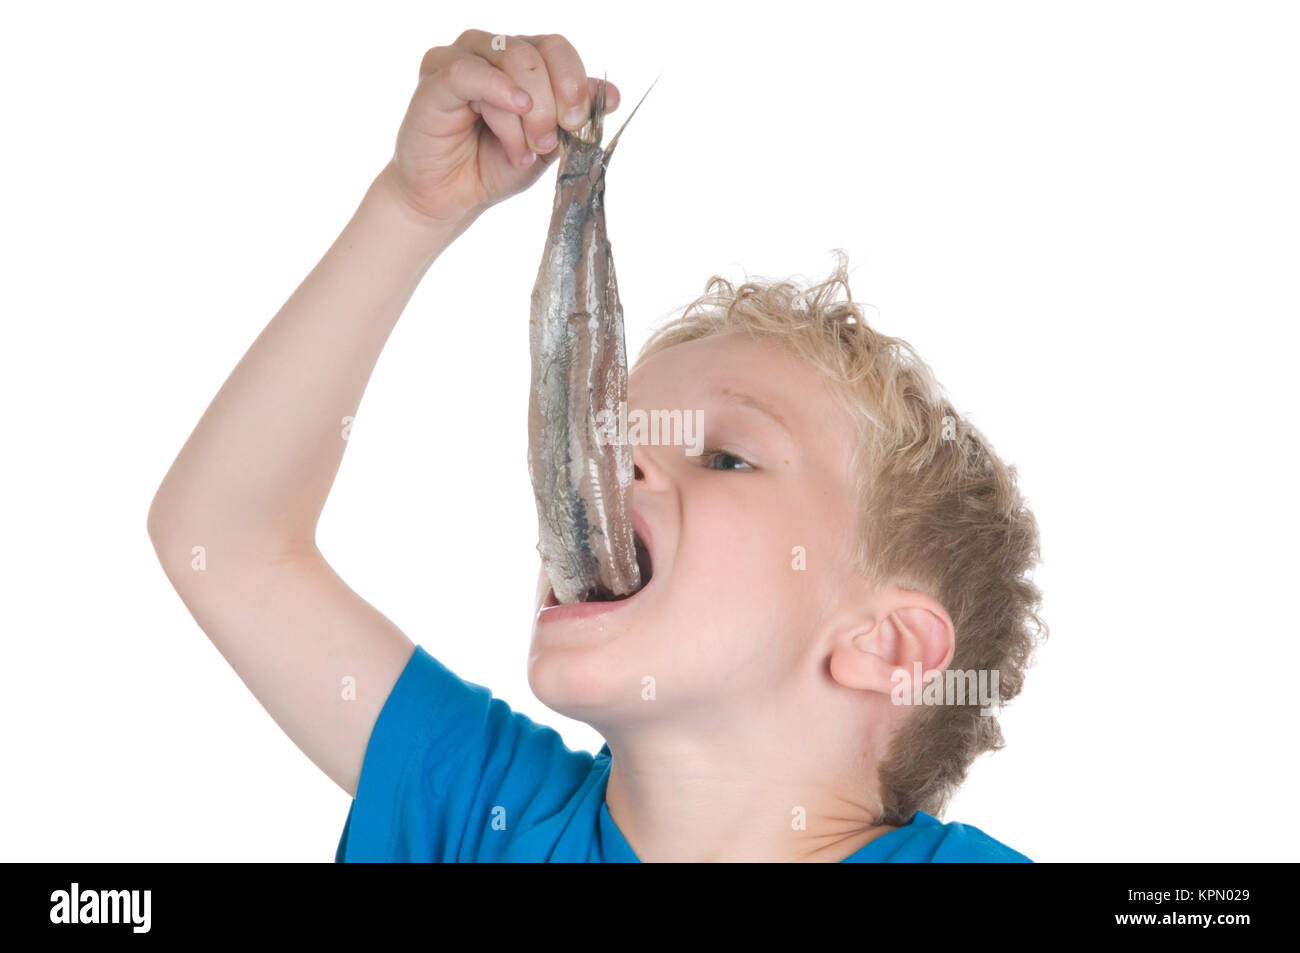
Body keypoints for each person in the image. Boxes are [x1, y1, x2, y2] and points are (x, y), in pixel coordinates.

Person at [148, 29, 1046, 862]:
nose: (616, 459)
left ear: (886, 648)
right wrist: (411, 210)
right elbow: (224, 540)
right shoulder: (487, 808)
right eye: (607, 430)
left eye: (727, 455)